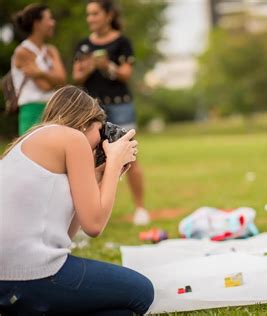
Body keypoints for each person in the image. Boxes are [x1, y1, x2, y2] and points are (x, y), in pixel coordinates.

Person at [0, 86, 154, 315]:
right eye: (100, 132)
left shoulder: (37, 140)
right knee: (142, 292)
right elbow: (94, 225)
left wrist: (99, 176)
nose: (98, 143)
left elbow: (66, 236)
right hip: (31, 275)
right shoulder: (72, 137)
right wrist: (113, 163)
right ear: (85, 122)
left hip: (8, 282)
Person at [73, 0, 150, 225]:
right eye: (88, 15)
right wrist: (89, 67)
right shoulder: (83, 45)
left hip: (120, 104)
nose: (90, 19)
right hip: (92, 110)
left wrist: (108, 66)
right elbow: (76, 77)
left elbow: (126, 74)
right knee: (86, 158)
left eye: (95, 14)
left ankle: (140, 209)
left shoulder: (122, 42)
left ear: (108, 15)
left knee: (130, 155)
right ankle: (84, 212)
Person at [11, 3, 66, 136]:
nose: (53, 23)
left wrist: (41, 73)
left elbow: (62, 79)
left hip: (51, 109)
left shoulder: (51, 50)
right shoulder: (23, 52)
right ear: (37, 23)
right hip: (32, 110)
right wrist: (53, 75)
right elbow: (45, 86)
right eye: (49, 19)